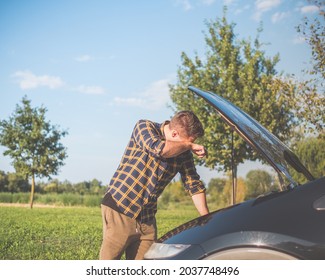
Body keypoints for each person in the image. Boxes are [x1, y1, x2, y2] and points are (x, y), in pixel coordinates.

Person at [99, 110, 209, 260]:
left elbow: (193, 184)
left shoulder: (184, 152)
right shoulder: (144, 127)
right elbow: (158, 149)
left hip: (147, 218)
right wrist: (188, 145)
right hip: (120, 207)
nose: (190, 145)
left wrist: (207, 219)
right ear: (175, 134)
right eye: (189, 141)